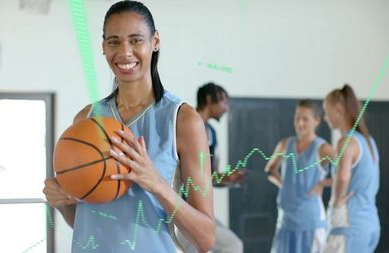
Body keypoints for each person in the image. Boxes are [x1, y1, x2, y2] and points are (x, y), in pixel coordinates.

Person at [42, 1, 215, 252]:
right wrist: (62, 202)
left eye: (136, 40)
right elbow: (86, 222)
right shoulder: (86, 119)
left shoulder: (182, 120)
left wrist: (156, 183)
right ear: (103, 47)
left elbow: (206, 238)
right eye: (114, 41)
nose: (124, 52)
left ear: (155, 42)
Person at [265, 100, 334, 253]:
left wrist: (322, 184)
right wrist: (284, 185)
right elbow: (270, 170)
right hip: (286, 220)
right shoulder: (285, 144)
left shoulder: (323, 148)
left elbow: (347, 173)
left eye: (305, 119)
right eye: (297, 118)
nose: (300, 123)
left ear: (317, 120)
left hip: (310, 221)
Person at [322, 84, 380, 253]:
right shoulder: (368, 141)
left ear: (338, 109)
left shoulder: (346, 142)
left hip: (350, 225)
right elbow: (360, 178)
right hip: (370, 224)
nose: (326, 117)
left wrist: (337, 201)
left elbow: (343, 177)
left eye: (327, 111)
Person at [192, 82, 246, 253]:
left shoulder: (212, 134)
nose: (226, 108)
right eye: (224, 102)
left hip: (199, 209)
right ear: (209, 100)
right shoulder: (187, 125)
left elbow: (209, 176)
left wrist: (228, 178)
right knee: (232, 245)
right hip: (182, 206)